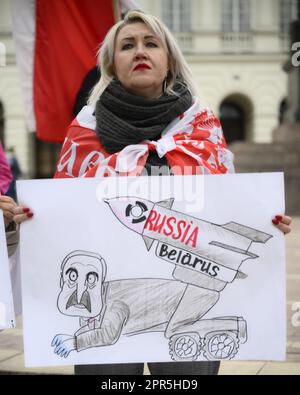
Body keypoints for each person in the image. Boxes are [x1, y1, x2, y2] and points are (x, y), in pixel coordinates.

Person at [0, 10, 292, 375]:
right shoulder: (82, 135)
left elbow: (227, 206)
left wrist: (265, 225)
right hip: (108, 323)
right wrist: (22, 222)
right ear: (112, 63)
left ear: (168, 61)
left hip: (187, 301)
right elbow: (60, 227)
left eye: (151, 43)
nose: (140, 51)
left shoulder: (203, 130)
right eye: (127, 45)